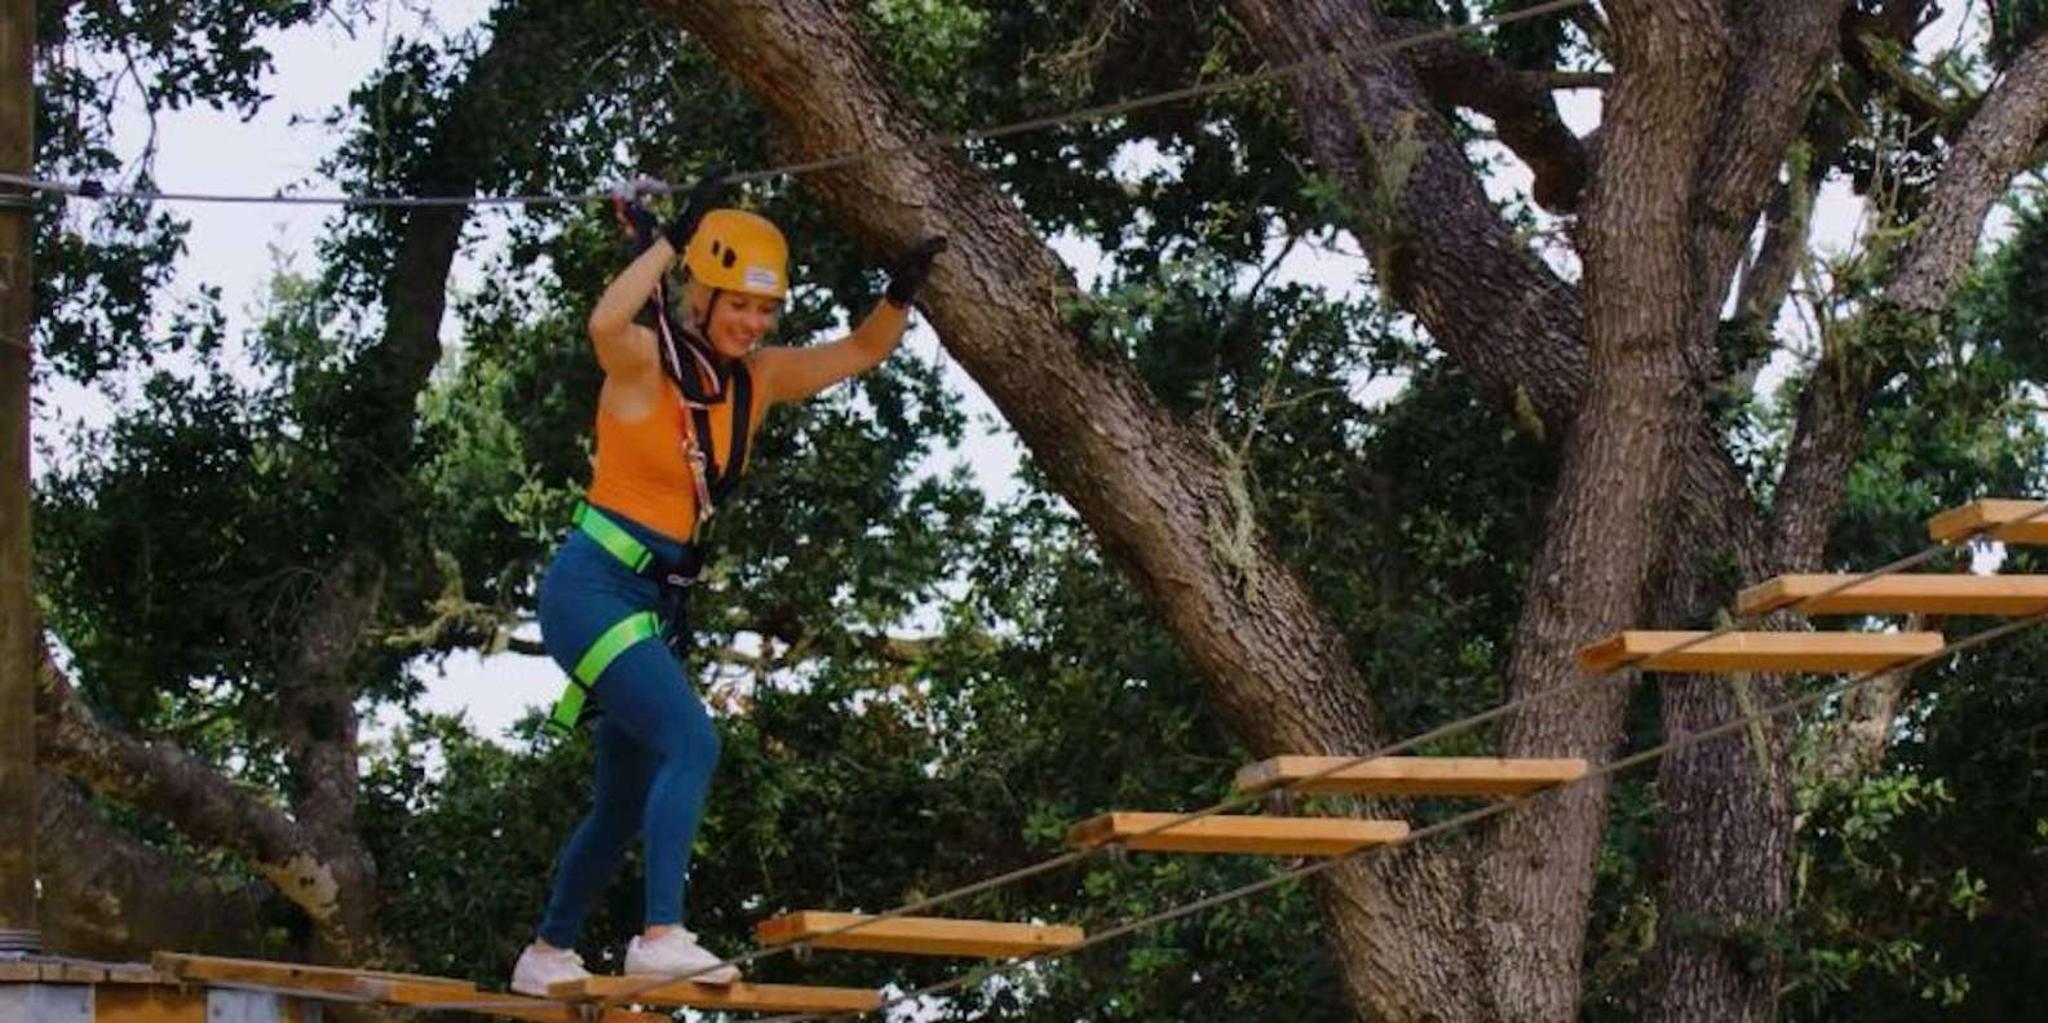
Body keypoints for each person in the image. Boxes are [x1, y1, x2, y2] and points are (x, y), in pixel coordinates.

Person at [509, 170, 946, 996]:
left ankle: (546, 954)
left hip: (652, 605)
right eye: (737, 305)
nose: (752, 323)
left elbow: (860, 350)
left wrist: (900, 292)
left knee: (623, 800)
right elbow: (604, 318)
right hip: (593, 586)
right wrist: (672, 236)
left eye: (765, 309)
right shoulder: (643, 361)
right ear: (700, 297)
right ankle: (661, 934)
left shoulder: (760, 379)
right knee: (693, 741)